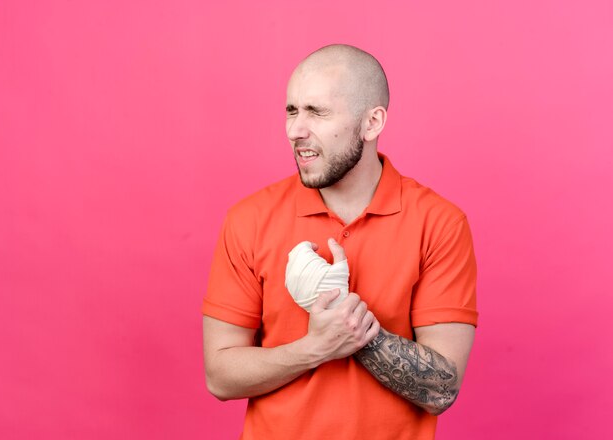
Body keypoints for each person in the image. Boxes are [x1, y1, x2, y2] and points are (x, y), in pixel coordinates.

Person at [202, 44, 478, 440]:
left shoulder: (440, 223)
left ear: (372, 123)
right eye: (291, 110)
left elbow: (441, 389)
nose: (295, 130)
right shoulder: (249, 219)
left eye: (316, 112)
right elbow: (220, 376)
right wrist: (317, 346)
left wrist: (358, 332)